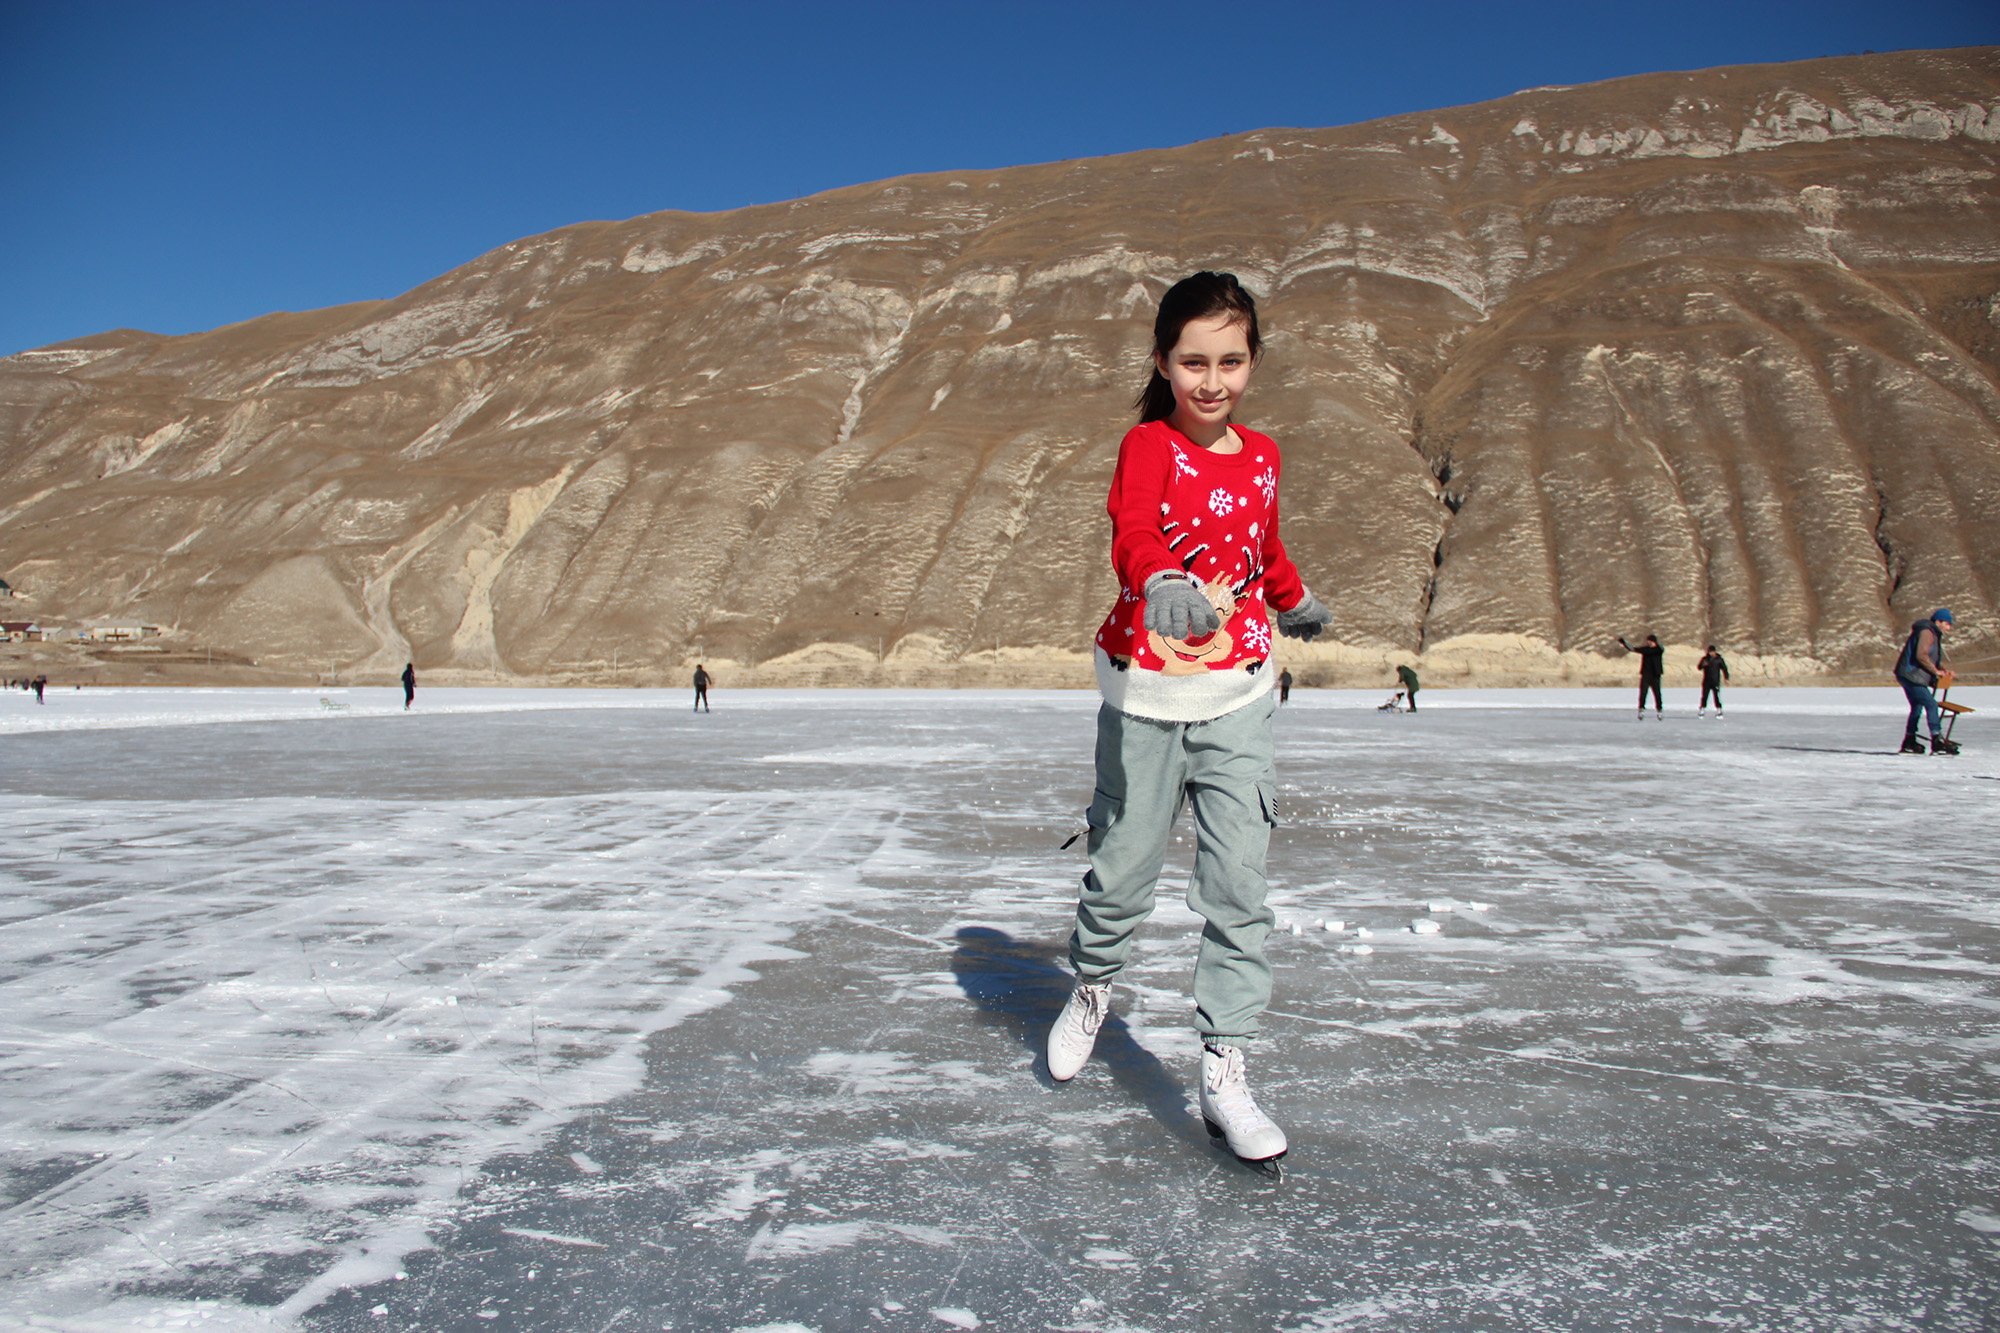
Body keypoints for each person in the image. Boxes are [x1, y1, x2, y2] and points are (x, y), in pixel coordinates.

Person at [1046, 271, 1332, 1168]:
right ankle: (1093, 984)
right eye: (1194, 361)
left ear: (1252, 362)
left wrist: (1293, 597)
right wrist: (1161, 578)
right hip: (1147, 691)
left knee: (1239, 883)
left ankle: (1225, 1066)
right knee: (1124, 869)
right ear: (1165, 363)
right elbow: (1132, 529)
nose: (1213, 380)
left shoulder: (1265, 453)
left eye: (1231, 361)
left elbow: (1261, 543)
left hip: (1240, 687)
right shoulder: (1149, 447)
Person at [1895, 608, 1957, 755]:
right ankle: (1937, 740)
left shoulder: (1932, 633)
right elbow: (1921, 656)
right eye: (1947, 623)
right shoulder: (1927, 633)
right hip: (1912, 676)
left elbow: (1932, 659)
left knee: (1917, 706)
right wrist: (1936, 672)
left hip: (1909, 675)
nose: (1949, 627)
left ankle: (1909, 740)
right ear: (1938, 622)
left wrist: (1943, 670)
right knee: (1931, 704)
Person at [1618, 634, 1665, 719]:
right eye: (1648, 641)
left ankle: (1659, 710)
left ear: (1654, 641)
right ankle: (1641, 710)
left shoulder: (1658, 650)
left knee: (1657, 694)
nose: (1648, 642)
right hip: (1646, 674)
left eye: (1650, 641)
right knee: (1643, 693)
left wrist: (1657, 643)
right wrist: (1624, 643)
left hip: (1655, 675)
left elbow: (1661, 647)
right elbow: (1633, 649)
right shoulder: (1645, 649)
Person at [1696, 645, 1728, 716]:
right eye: (1709, 652)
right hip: (1706, 681)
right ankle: (1702, 709)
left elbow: (1724, 669)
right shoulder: (1705, 659)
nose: (1710, 653)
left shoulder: (1719, 659)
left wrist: (1726, 678)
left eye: (1712, 652)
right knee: (1704, 696)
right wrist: (1702, 665)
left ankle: (1719, 710)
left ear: (1714, 651)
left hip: (1715, 681)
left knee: (1716, 696)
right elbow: (1699, 667)